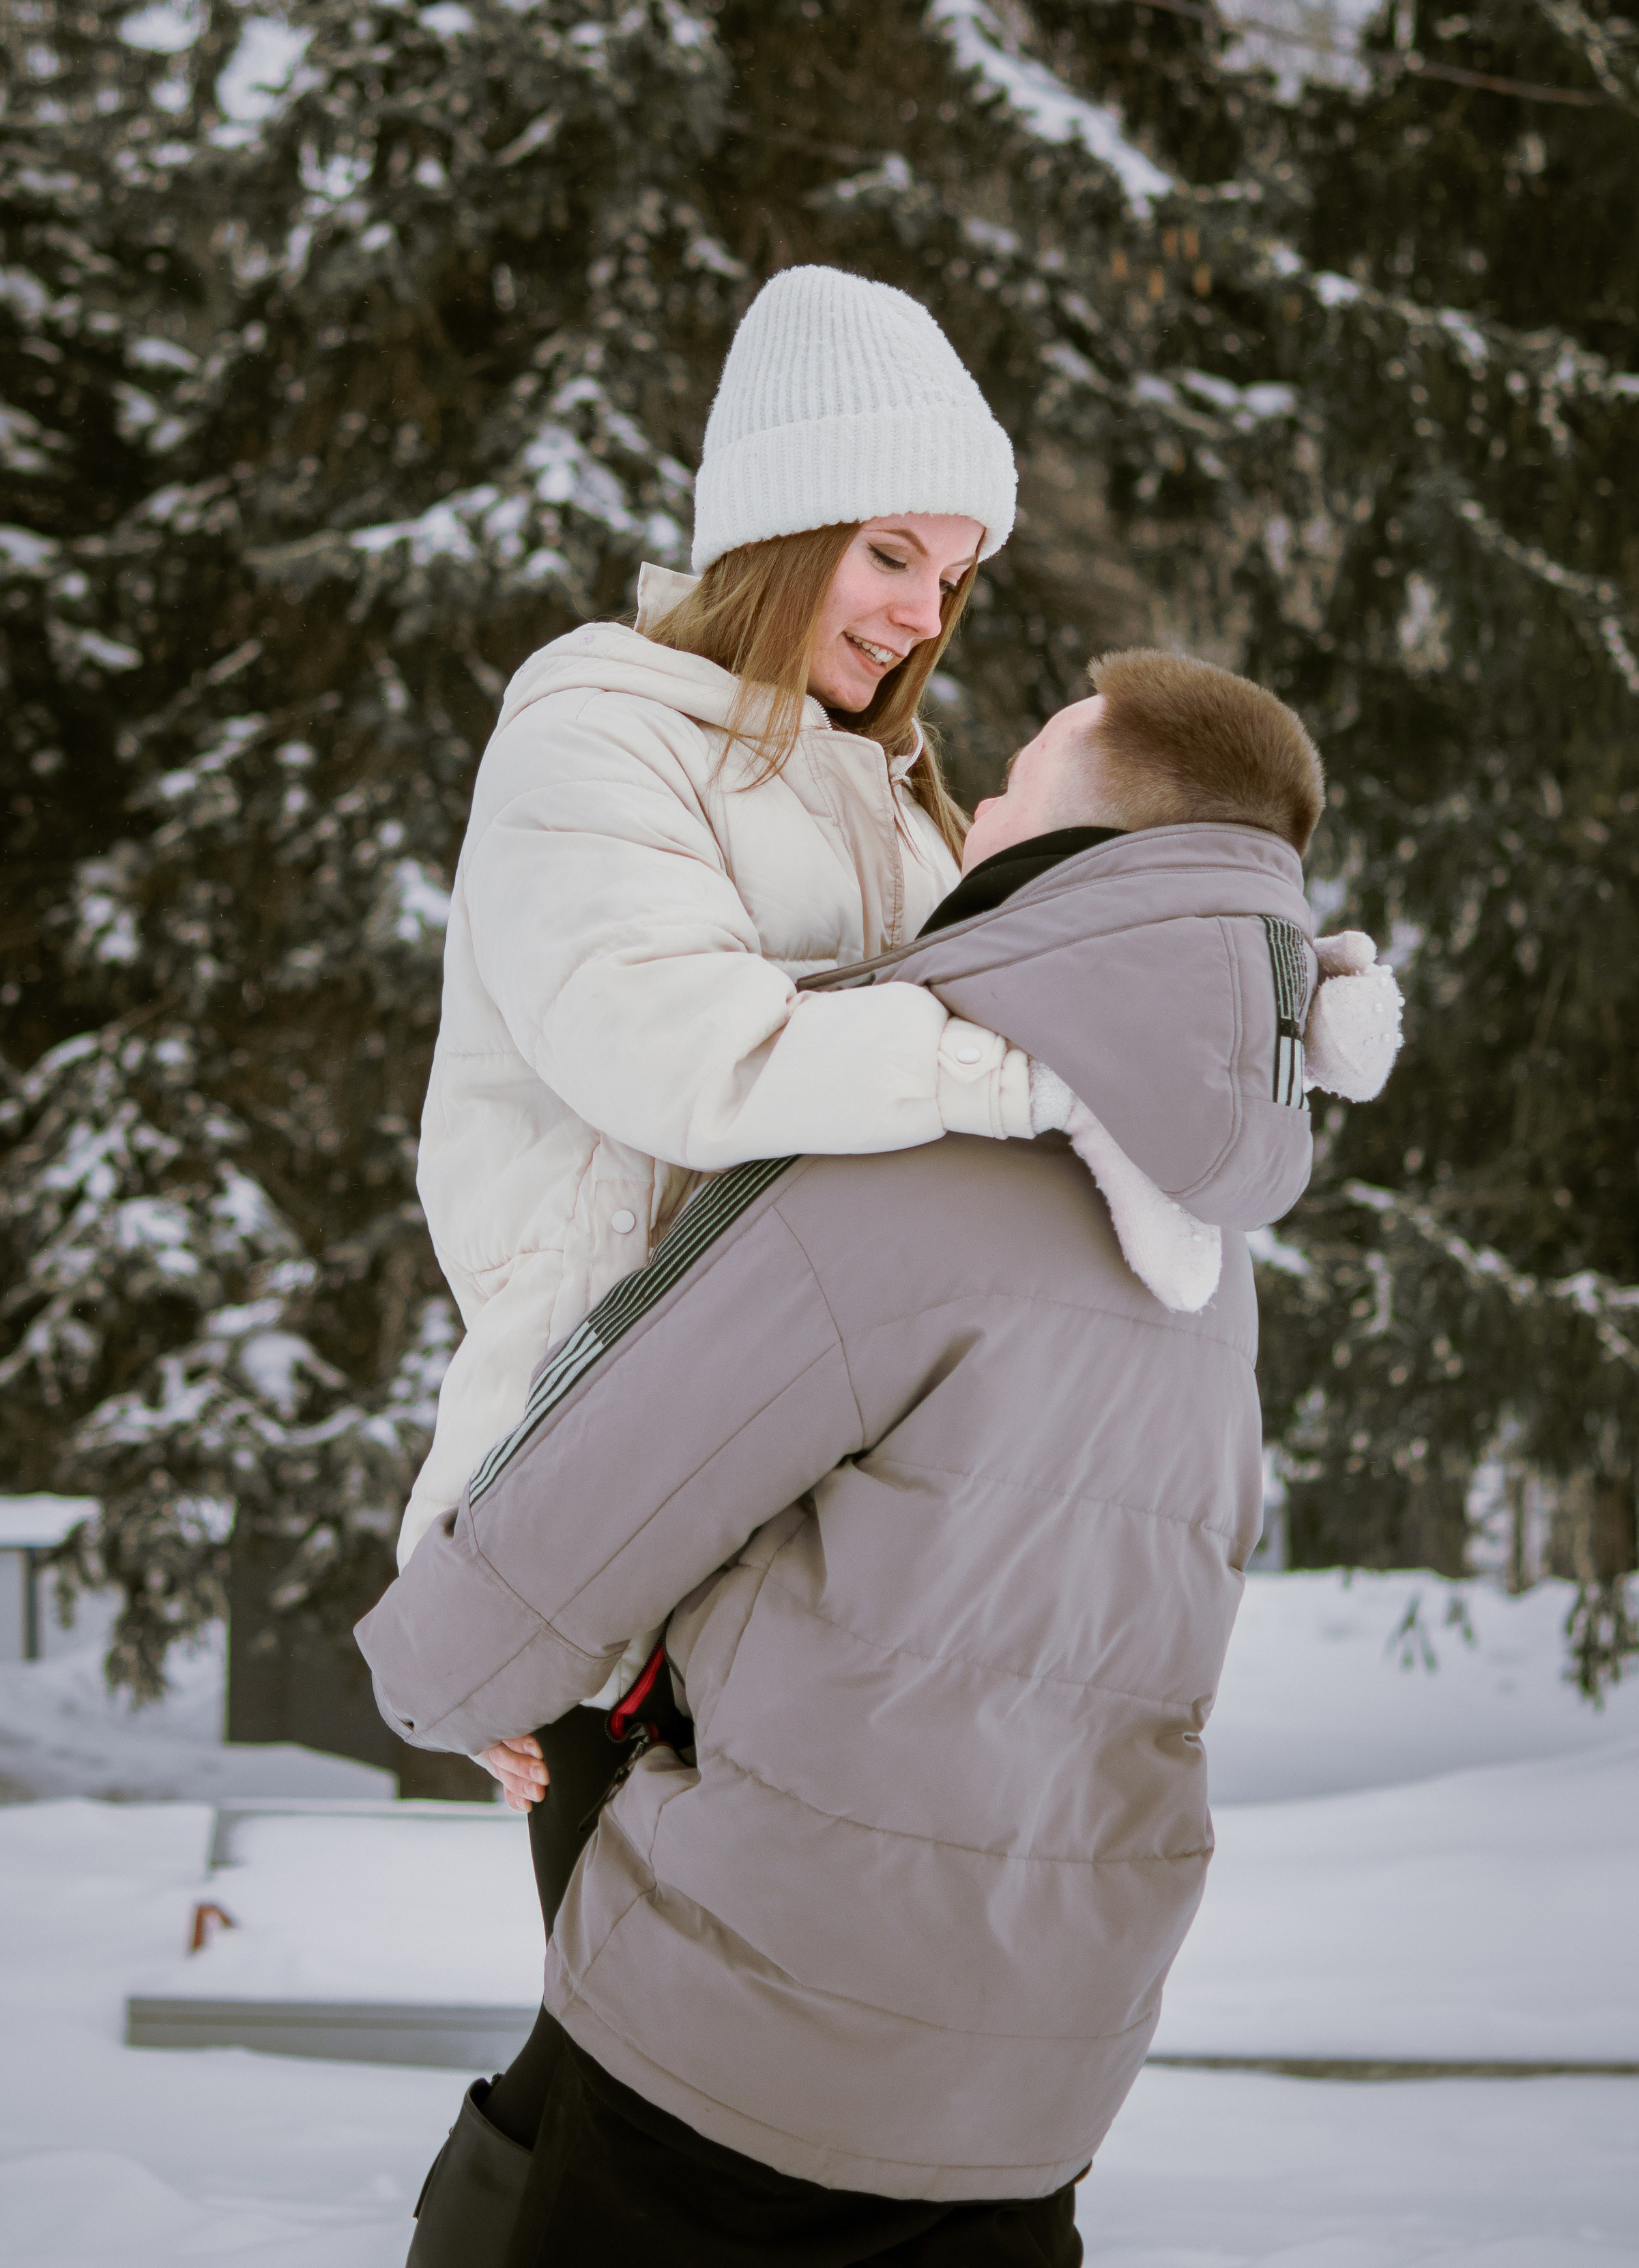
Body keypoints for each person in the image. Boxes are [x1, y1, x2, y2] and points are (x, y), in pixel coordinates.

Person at [358, 650, 1403, 2265]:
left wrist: (437, 1678)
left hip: (757, 2042)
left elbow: (597, 1488)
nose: (969, 799)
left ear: (1080, 862)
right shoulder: (1200, 1243)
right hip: (1041, 2068)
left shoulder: (901, 1165)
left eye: (1019, 780)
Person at [394, 261, 1063, 2248]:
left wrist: (1282, 1006)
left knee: (731, 2078)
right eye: (885, 550)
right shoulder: (598, 733)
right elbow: (677, 1058)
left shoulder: (905, 800)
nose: (921, 613)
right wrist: (999, 1063)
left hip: (825, 1535)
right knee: (654, 2087)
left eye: (954, 576)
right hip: (622, 1506)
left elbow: (1069, 1028)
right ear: (775, 522)